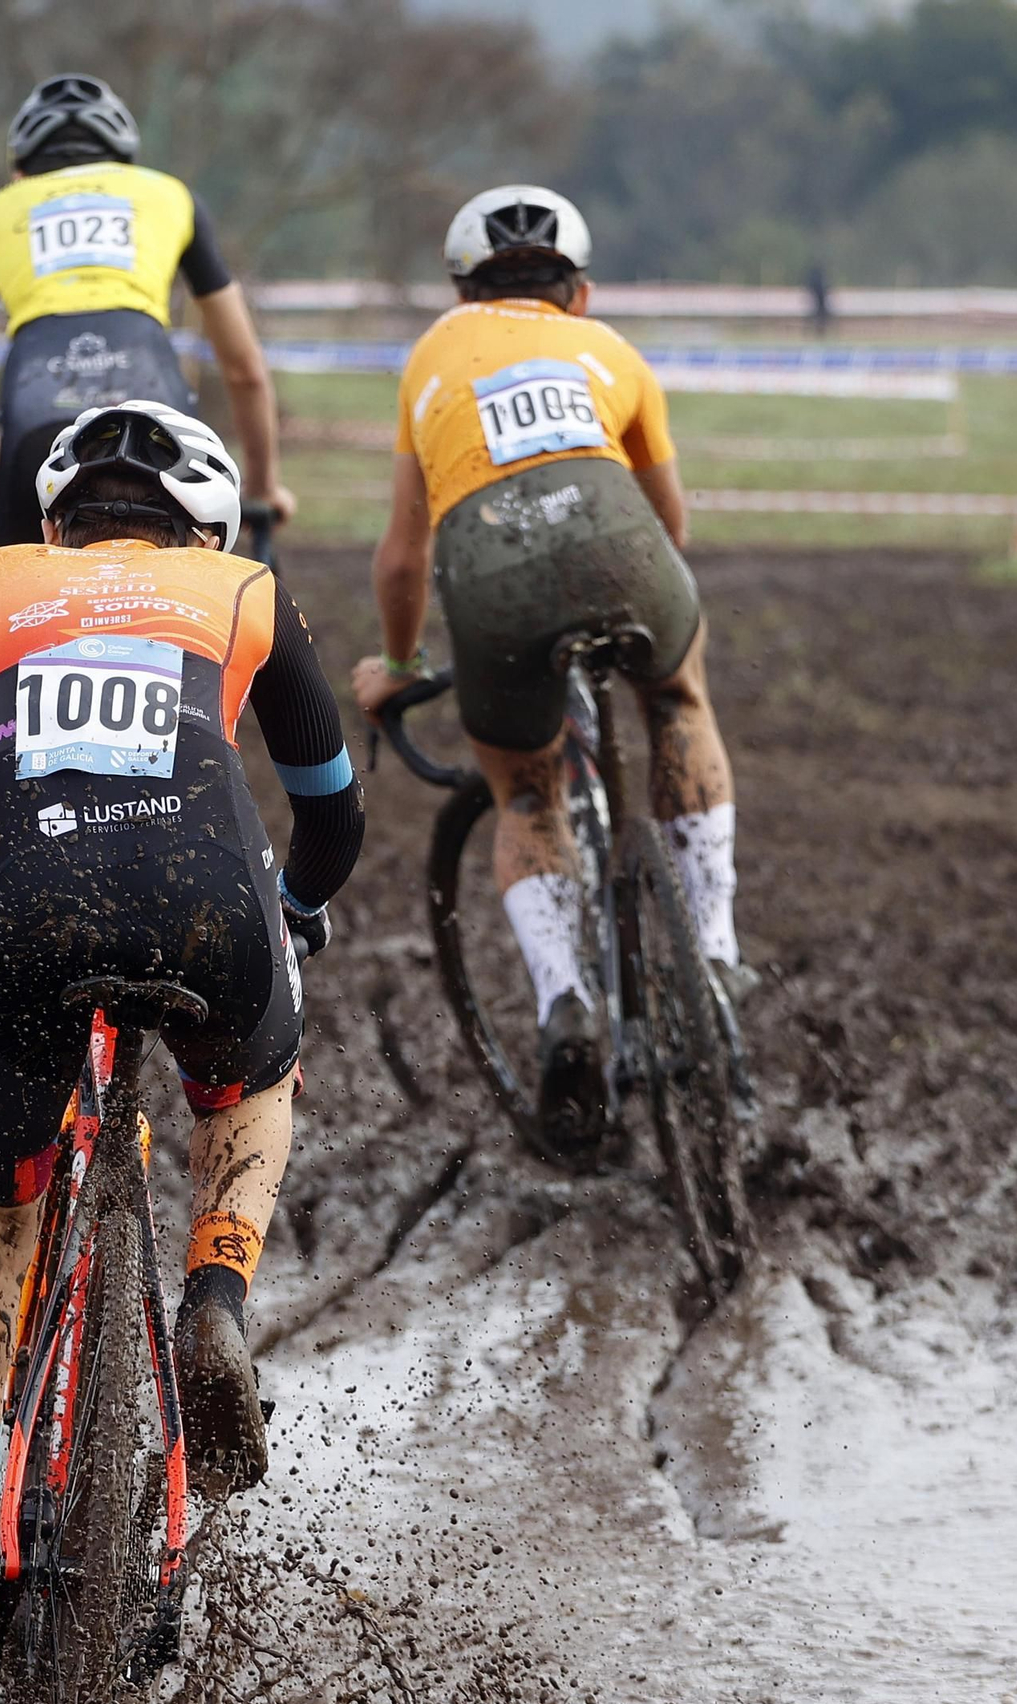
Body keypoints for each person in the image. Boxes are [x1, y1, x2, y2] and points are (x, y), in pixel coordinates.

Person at [0, 399, 361, 1631]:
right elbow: (332, 818)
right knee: (252, 1084)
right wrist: (296, 910)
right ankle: (216, 1298)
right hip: (210, 910)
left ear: (52, 522)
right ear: (205, 527)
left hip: (23, 914)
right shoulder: (248, 594)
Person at [352, 184, 751, 1149]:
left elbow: (404, 556)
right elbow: (674, 527)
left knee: (526, 790)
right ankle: (715, 949)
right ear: (579, 292)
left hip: (488, 565)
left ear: (462, 293)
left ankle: (567, 1000)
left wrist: (400, 663)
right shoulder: (612, 351)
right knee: (678, 695)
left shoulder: (433, 358)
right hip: (619, 541)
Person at [0, 74, 295, 547]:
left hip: (35, 421)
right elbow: (245, 369)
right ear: (126, 163)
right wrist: (264, 487)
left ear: (21, 170)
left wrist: (5, 470)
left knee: (24, 609)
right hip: (156, 419)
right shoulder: (171, 197)